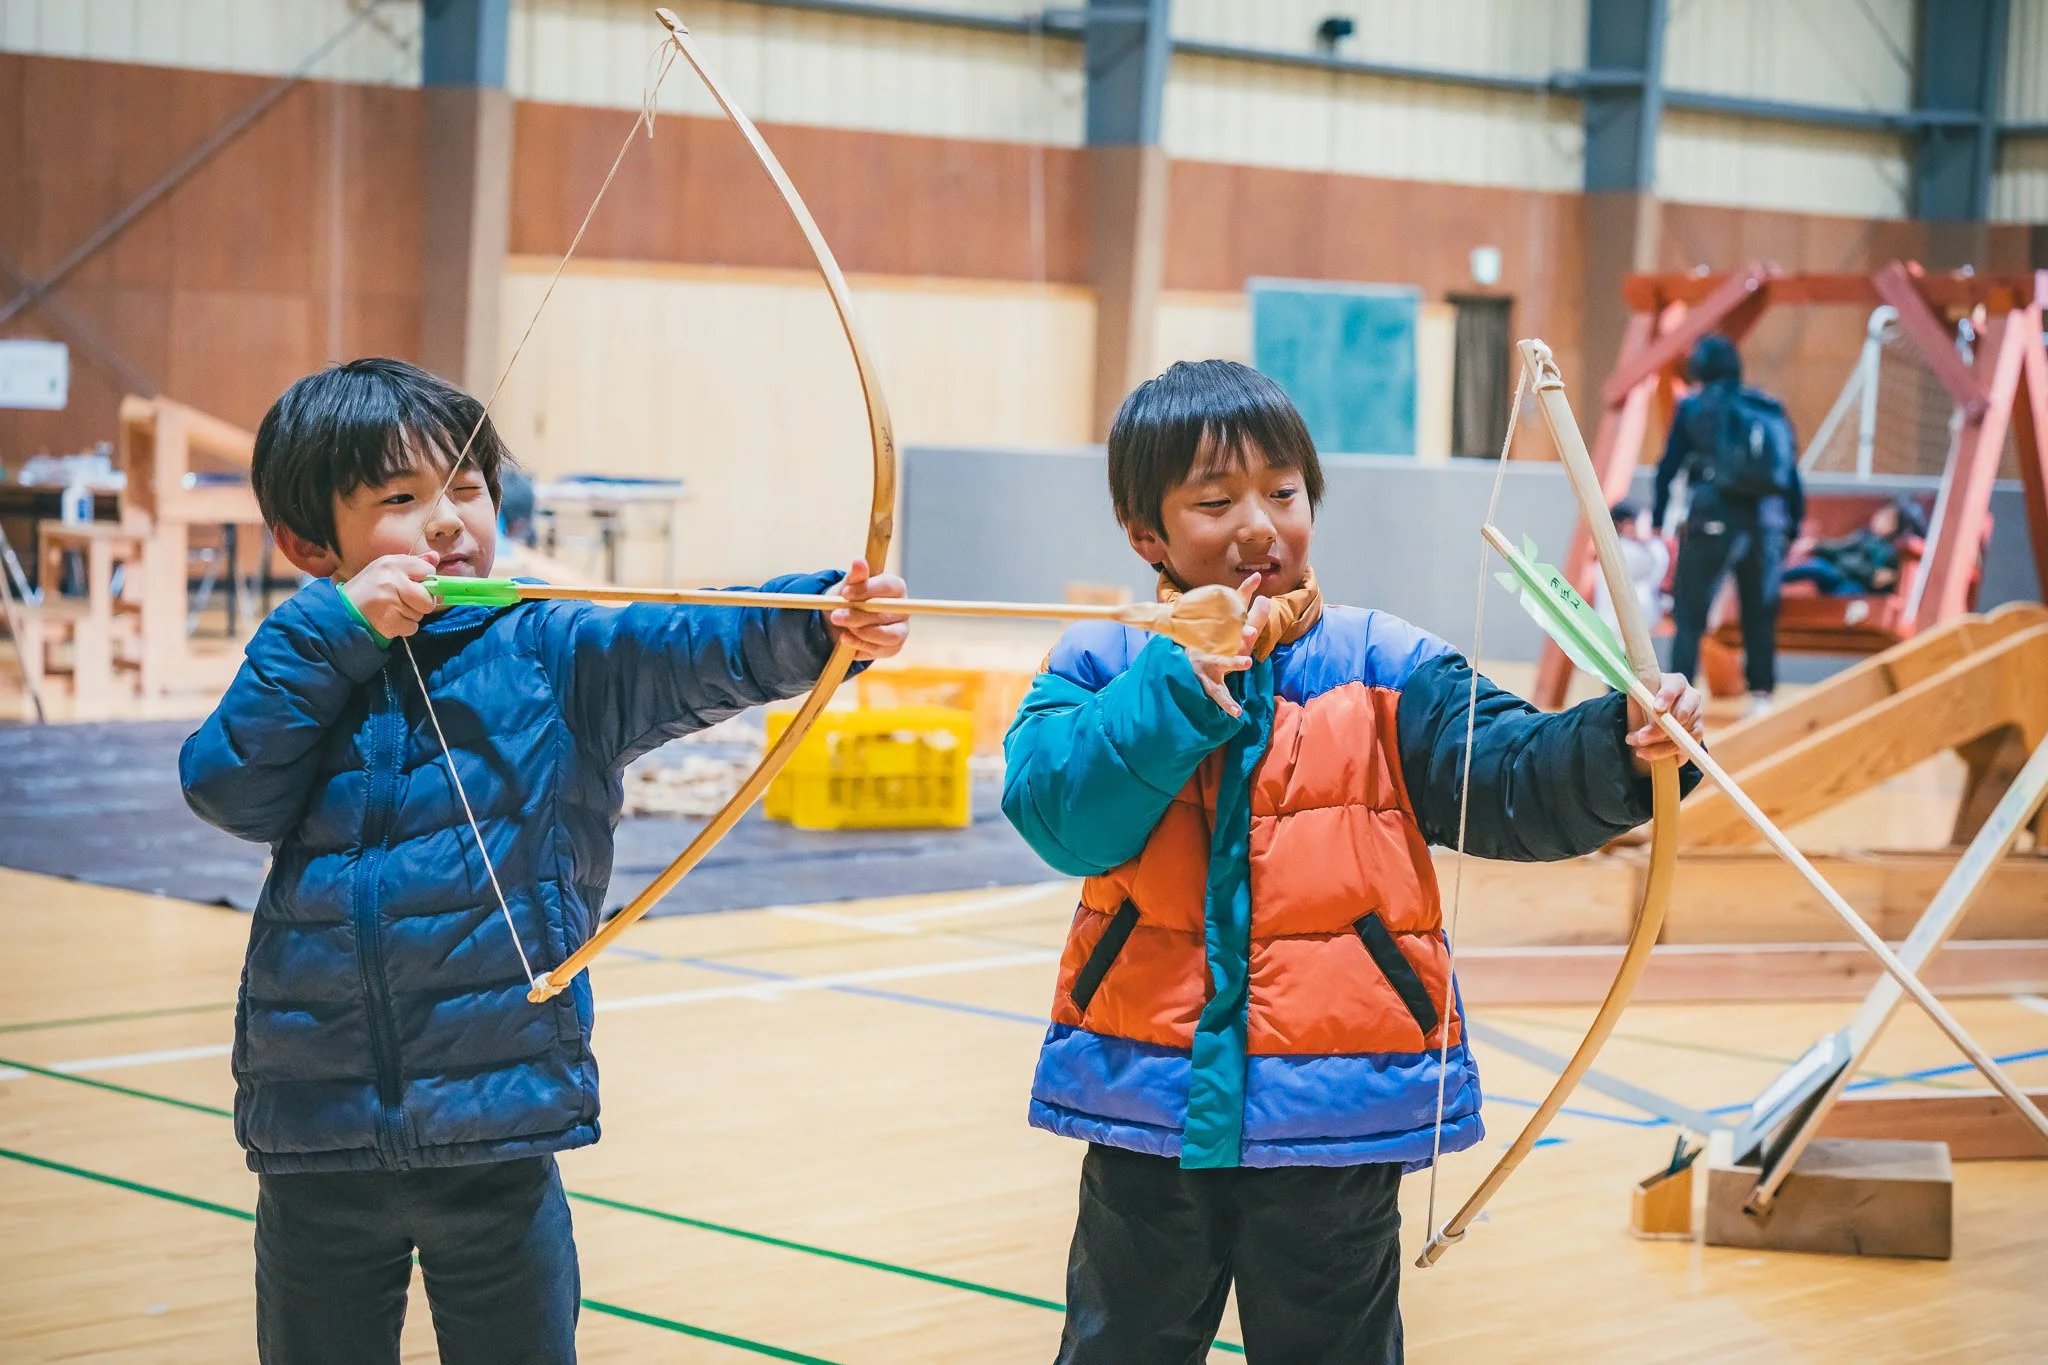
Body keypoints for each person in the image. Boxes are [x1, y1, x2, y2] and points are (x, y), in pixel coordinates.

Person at [178, 358, 907, 1365]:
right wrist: (334, 633)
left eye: (467, 488)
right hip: (316, 1133)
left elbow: (686, 635)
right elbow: (229, 788)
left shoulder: (549, 650)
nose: (447, 522)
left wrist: (816, 619)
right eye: (401, 499)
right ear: (311, 542)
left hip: (500, 1128)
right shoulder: (307, 656)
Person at [1001, 360, 1705, 1363]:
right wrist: (1172, 688)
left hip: (1337, 1107)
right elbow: (1062, 818)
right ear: (1144, 534)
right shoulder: (1102, 665)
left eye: (1283, 494)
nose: (1260, 526)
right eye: (1214, 501)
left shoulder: (1385, 664)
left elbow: (1510, 781)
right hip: (1144, 1100)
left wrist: (1621, 747)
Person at [1651, 332, 1804, 713]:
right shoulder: (1767, 407)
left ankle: (1676, 700)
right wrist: (1792, 527)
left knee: (1689, 613)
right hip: (1767, 523)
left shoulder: (1694, 408)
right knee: (1759, 613)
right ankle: (1762, 698)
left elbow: (1667, 469)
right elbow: (1792, 477)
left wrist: (1658, 522)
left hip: (1713, 520)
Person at [1782, 496, 1927, 596]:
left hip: (1855, 586)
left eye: (1889, 517)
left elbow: (1877, 578)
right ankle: (1772, 577)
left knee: (1847, 590)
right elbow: (1840, 548)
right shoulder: (1865, 536)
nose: (1879, 517)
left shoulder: (1889, 552)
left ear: (1897, 526)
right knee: (1816, 566)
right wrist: (1815, 546)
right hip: (1840, 574)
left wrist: (1849, 567)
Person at [1593, 497, 1670, 637]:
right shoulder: (1626, 551)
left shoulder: (1618, 548)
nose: (1648, 527)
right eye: (1645, 522)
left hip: (1620, 629)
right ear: (1626, 525)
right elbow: (1658, 564)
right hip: (1620, 631)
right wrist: (1651, 543)